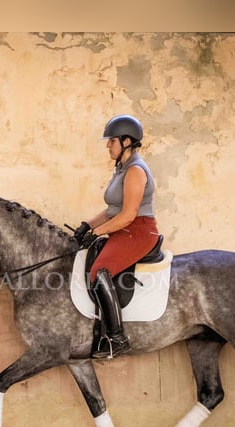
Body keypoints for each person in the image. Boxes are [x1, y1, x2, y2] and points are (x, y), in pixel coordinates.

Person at [73, 114, 161, 359]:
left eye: (111, 141)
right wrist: (87, 226)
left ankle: (116, 339)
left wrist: (98, 233)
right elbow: (113, 210)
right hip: (123, 228)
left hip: (139, 231)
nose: (107, 145)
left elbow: (129, 215)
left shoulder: (135, 171)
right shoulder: (121, 169)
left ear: (126, 141)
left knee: (99, 270)